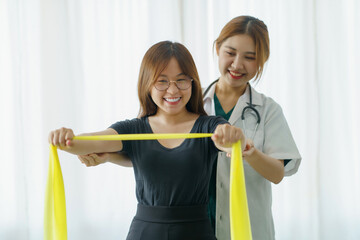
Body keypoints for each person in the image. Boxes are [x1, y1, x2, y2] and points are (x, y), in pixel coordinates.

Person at [79, 16, 302, 240]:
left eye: (249, 57)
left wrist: (246, 150)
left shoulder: (267, 110)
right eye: (230, 53)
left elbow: (277, 173)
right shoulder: (183, 100)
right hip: (195, 226)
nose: (237, 64)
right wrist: (110, 156)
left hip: (246, 225)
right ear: (217, 48)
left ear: (262, 60)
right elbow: (155, 151)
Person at [48, 41, 246, 240]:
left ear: (192, 83)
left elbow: (227, 139)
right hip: (144, 233)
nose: (173, 90)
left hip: (196, 232)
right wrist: (65, 137)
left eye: (181, 80)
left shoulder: (209, 126)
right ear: (147, 84)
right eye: (162, 81)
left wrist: (231, 136)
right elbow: (88, 142)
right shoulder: (134, 129)